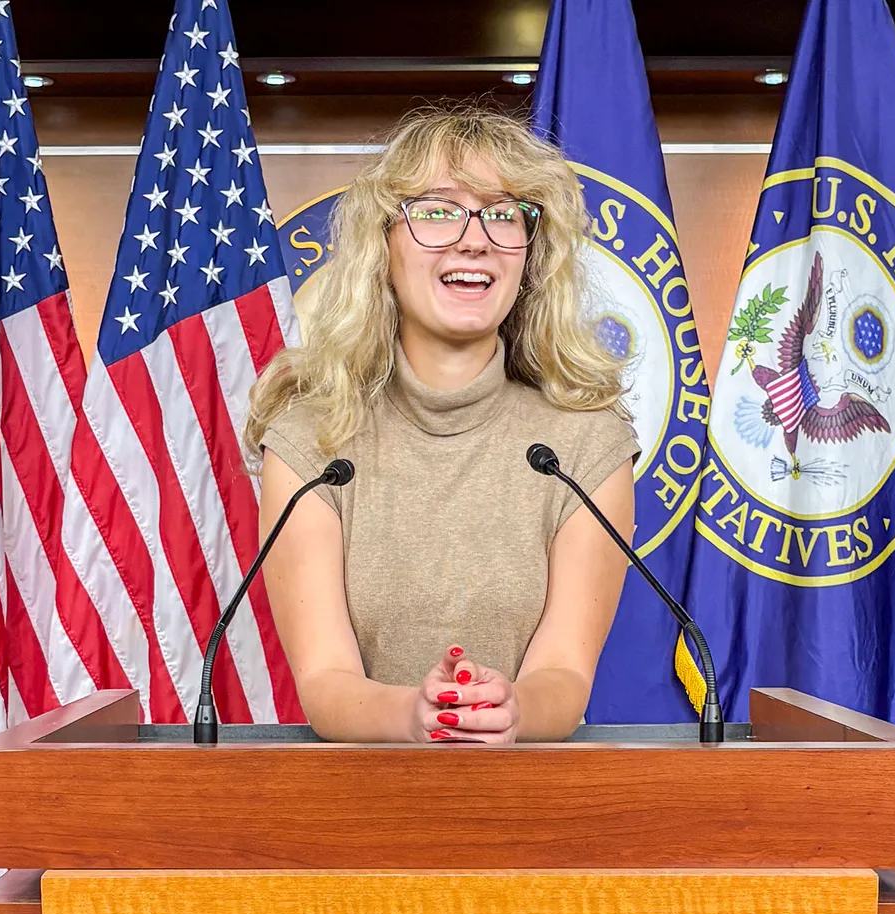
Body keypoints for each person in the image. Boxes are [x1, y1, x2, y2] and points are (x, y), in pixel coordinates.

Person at [244, 105, 638, 745]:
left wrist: (511, 710)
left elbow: (564, 673)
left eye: (504, 213)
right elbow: (325, 681)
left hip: (536, 819)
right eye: (437, 211)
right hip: (358, 820)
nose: (475, 237)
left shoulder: (585, 445)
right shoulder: (310, 440)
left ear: (529, 256)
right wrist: (415, 716)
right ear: (383, 245)